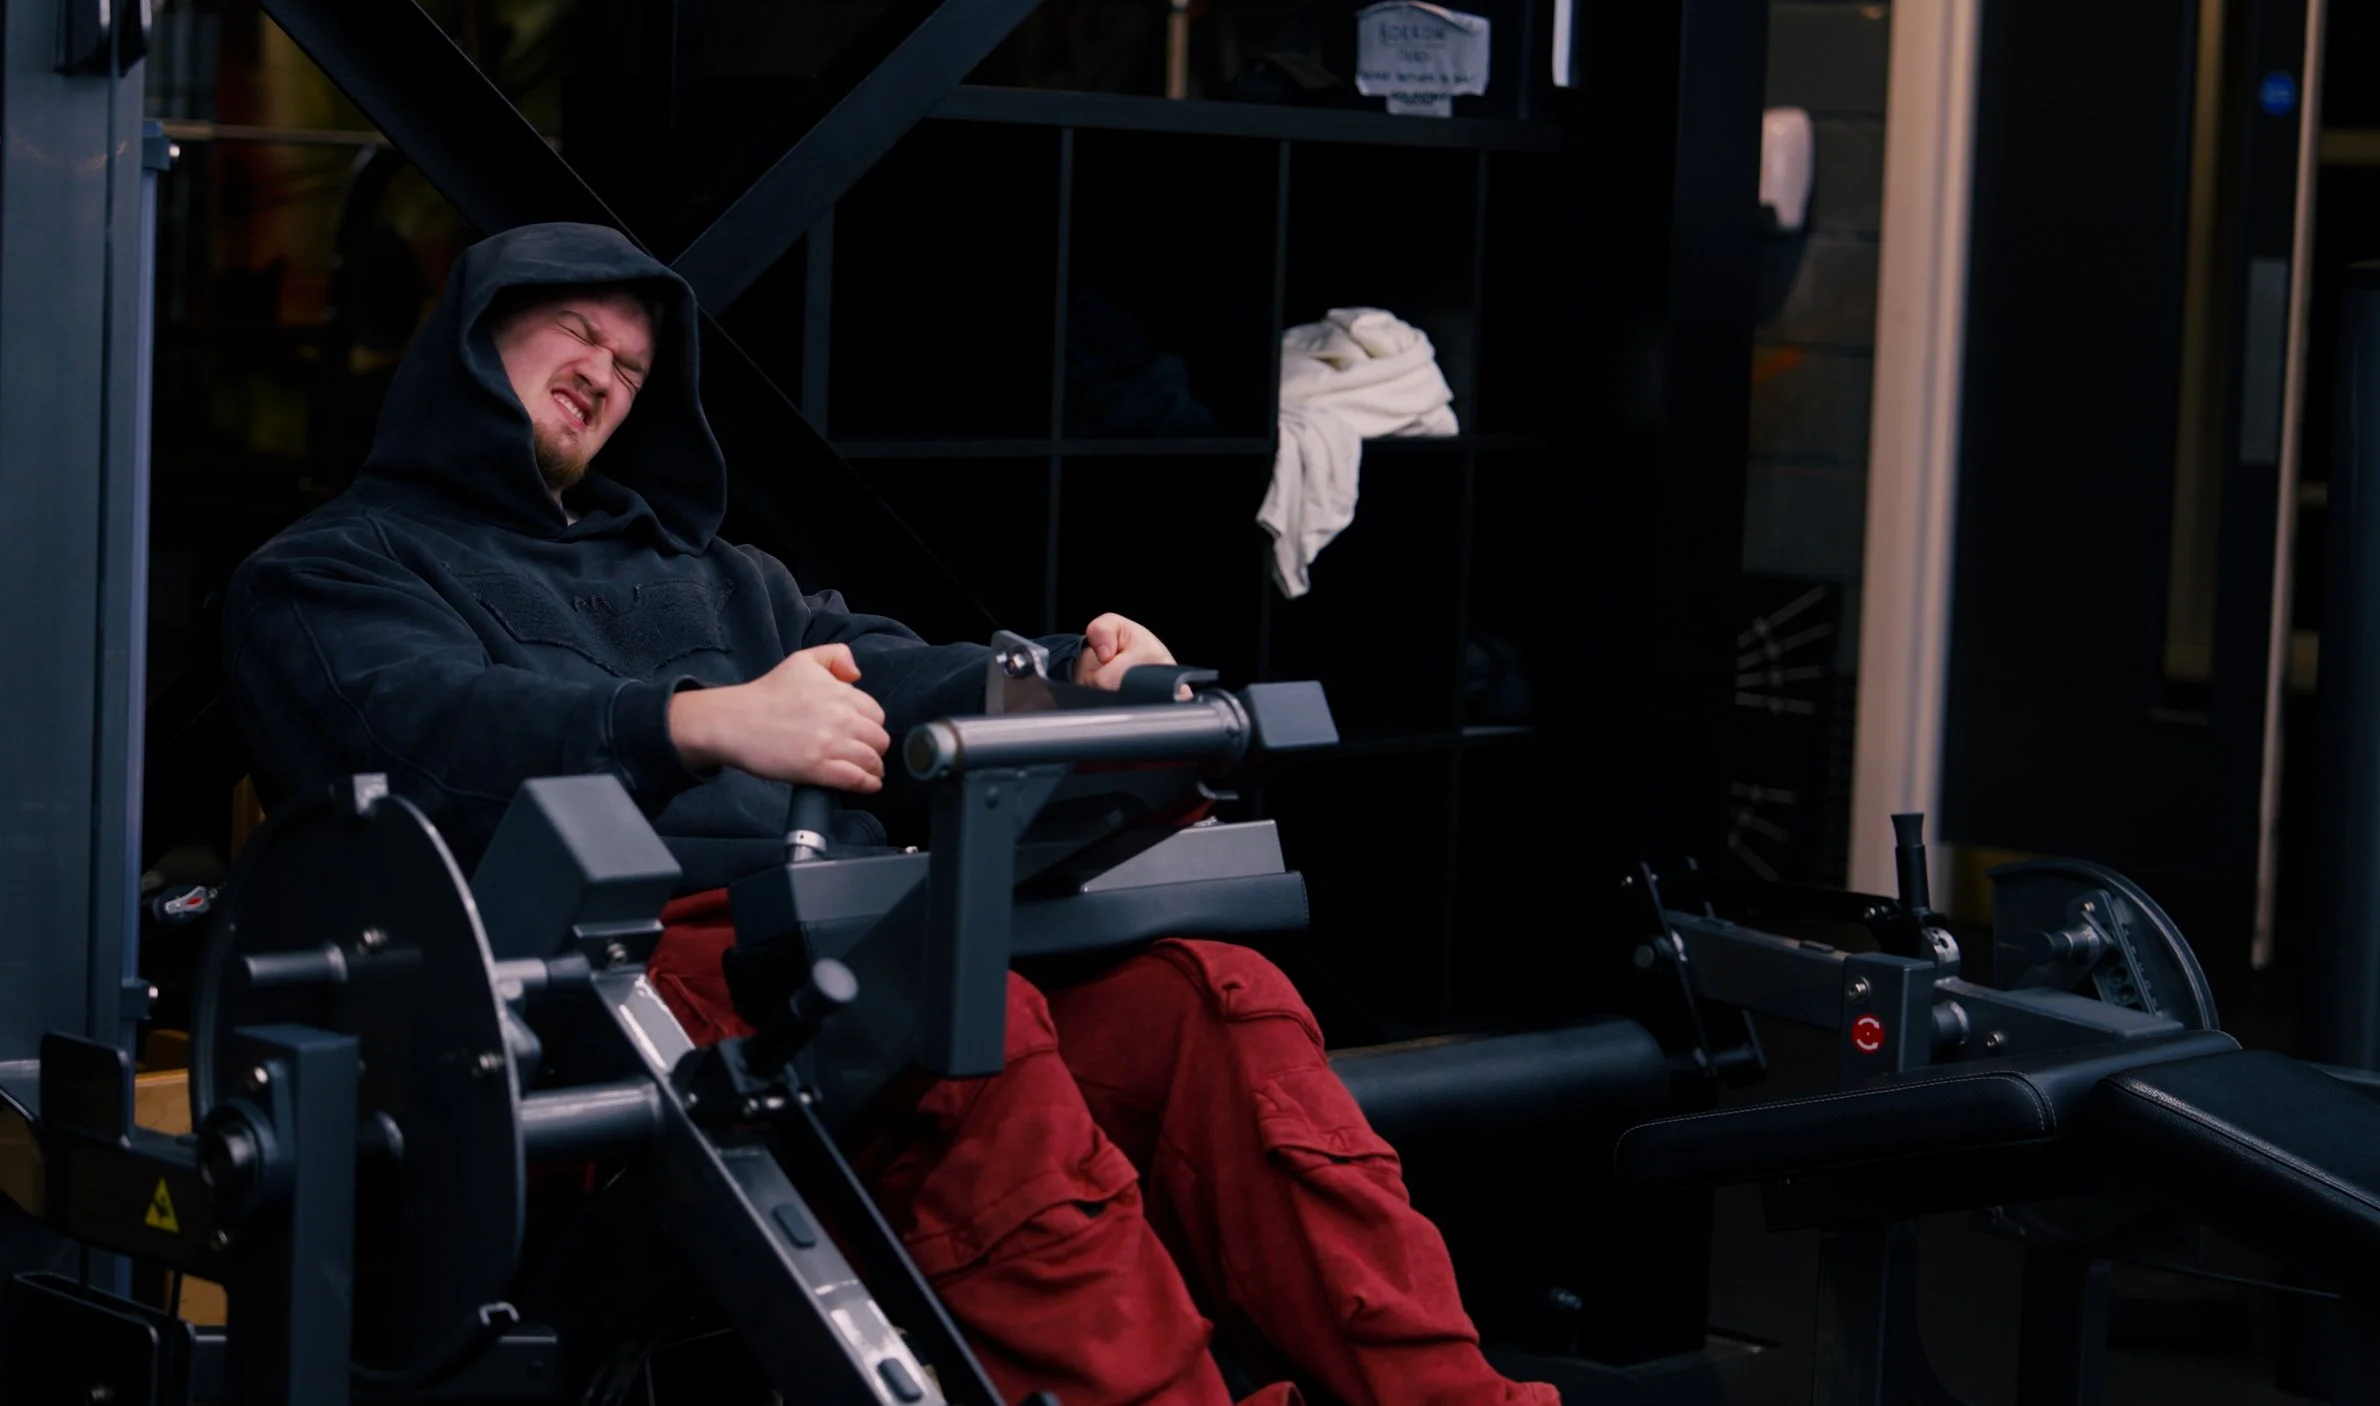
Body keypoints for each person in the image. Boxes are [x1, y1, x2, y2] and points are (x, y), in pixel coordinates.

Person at [222, 222, 1559, 1406]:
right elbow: (420, 731)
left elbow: (891, 666)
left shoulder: (718, 580)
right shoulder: (331, 571)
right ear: (471, 336)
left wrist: (1055, 678)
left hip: (826, 961)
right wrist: (696, 722)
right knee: (960, 1029)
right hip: (597, 990)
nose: (602, 373)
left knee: (1207, 995)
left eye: (631, 368)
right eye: (575, 332)